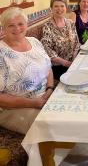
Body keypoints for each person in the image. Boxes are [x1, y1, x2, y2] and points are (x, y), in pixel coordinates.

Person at [0, 7, 53, 135]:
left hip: (44, 97)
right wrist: (34, 103)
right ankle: (46, 155)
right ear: (3, 28)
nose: (17, 28)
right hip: (14, 108)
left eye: (20, 24)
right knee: (50, 126)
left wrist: (50, 89)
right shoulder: (2, 52)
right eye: (11, 25)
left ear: (26, 24)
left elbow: (48, 67)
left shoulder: (34, 42)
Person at [41, 0, 80, 80]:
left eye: (62, 6)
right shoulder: (47, 26)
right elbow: (47, 50)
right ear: (51, 8)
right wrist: (66, 63)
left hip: (72, 61)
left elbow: (77, 43)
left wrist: (74, 58)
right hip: (58, 66)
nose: (59, 9)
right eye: (56, 6)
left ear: (66, 8)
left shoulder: (70, 23)